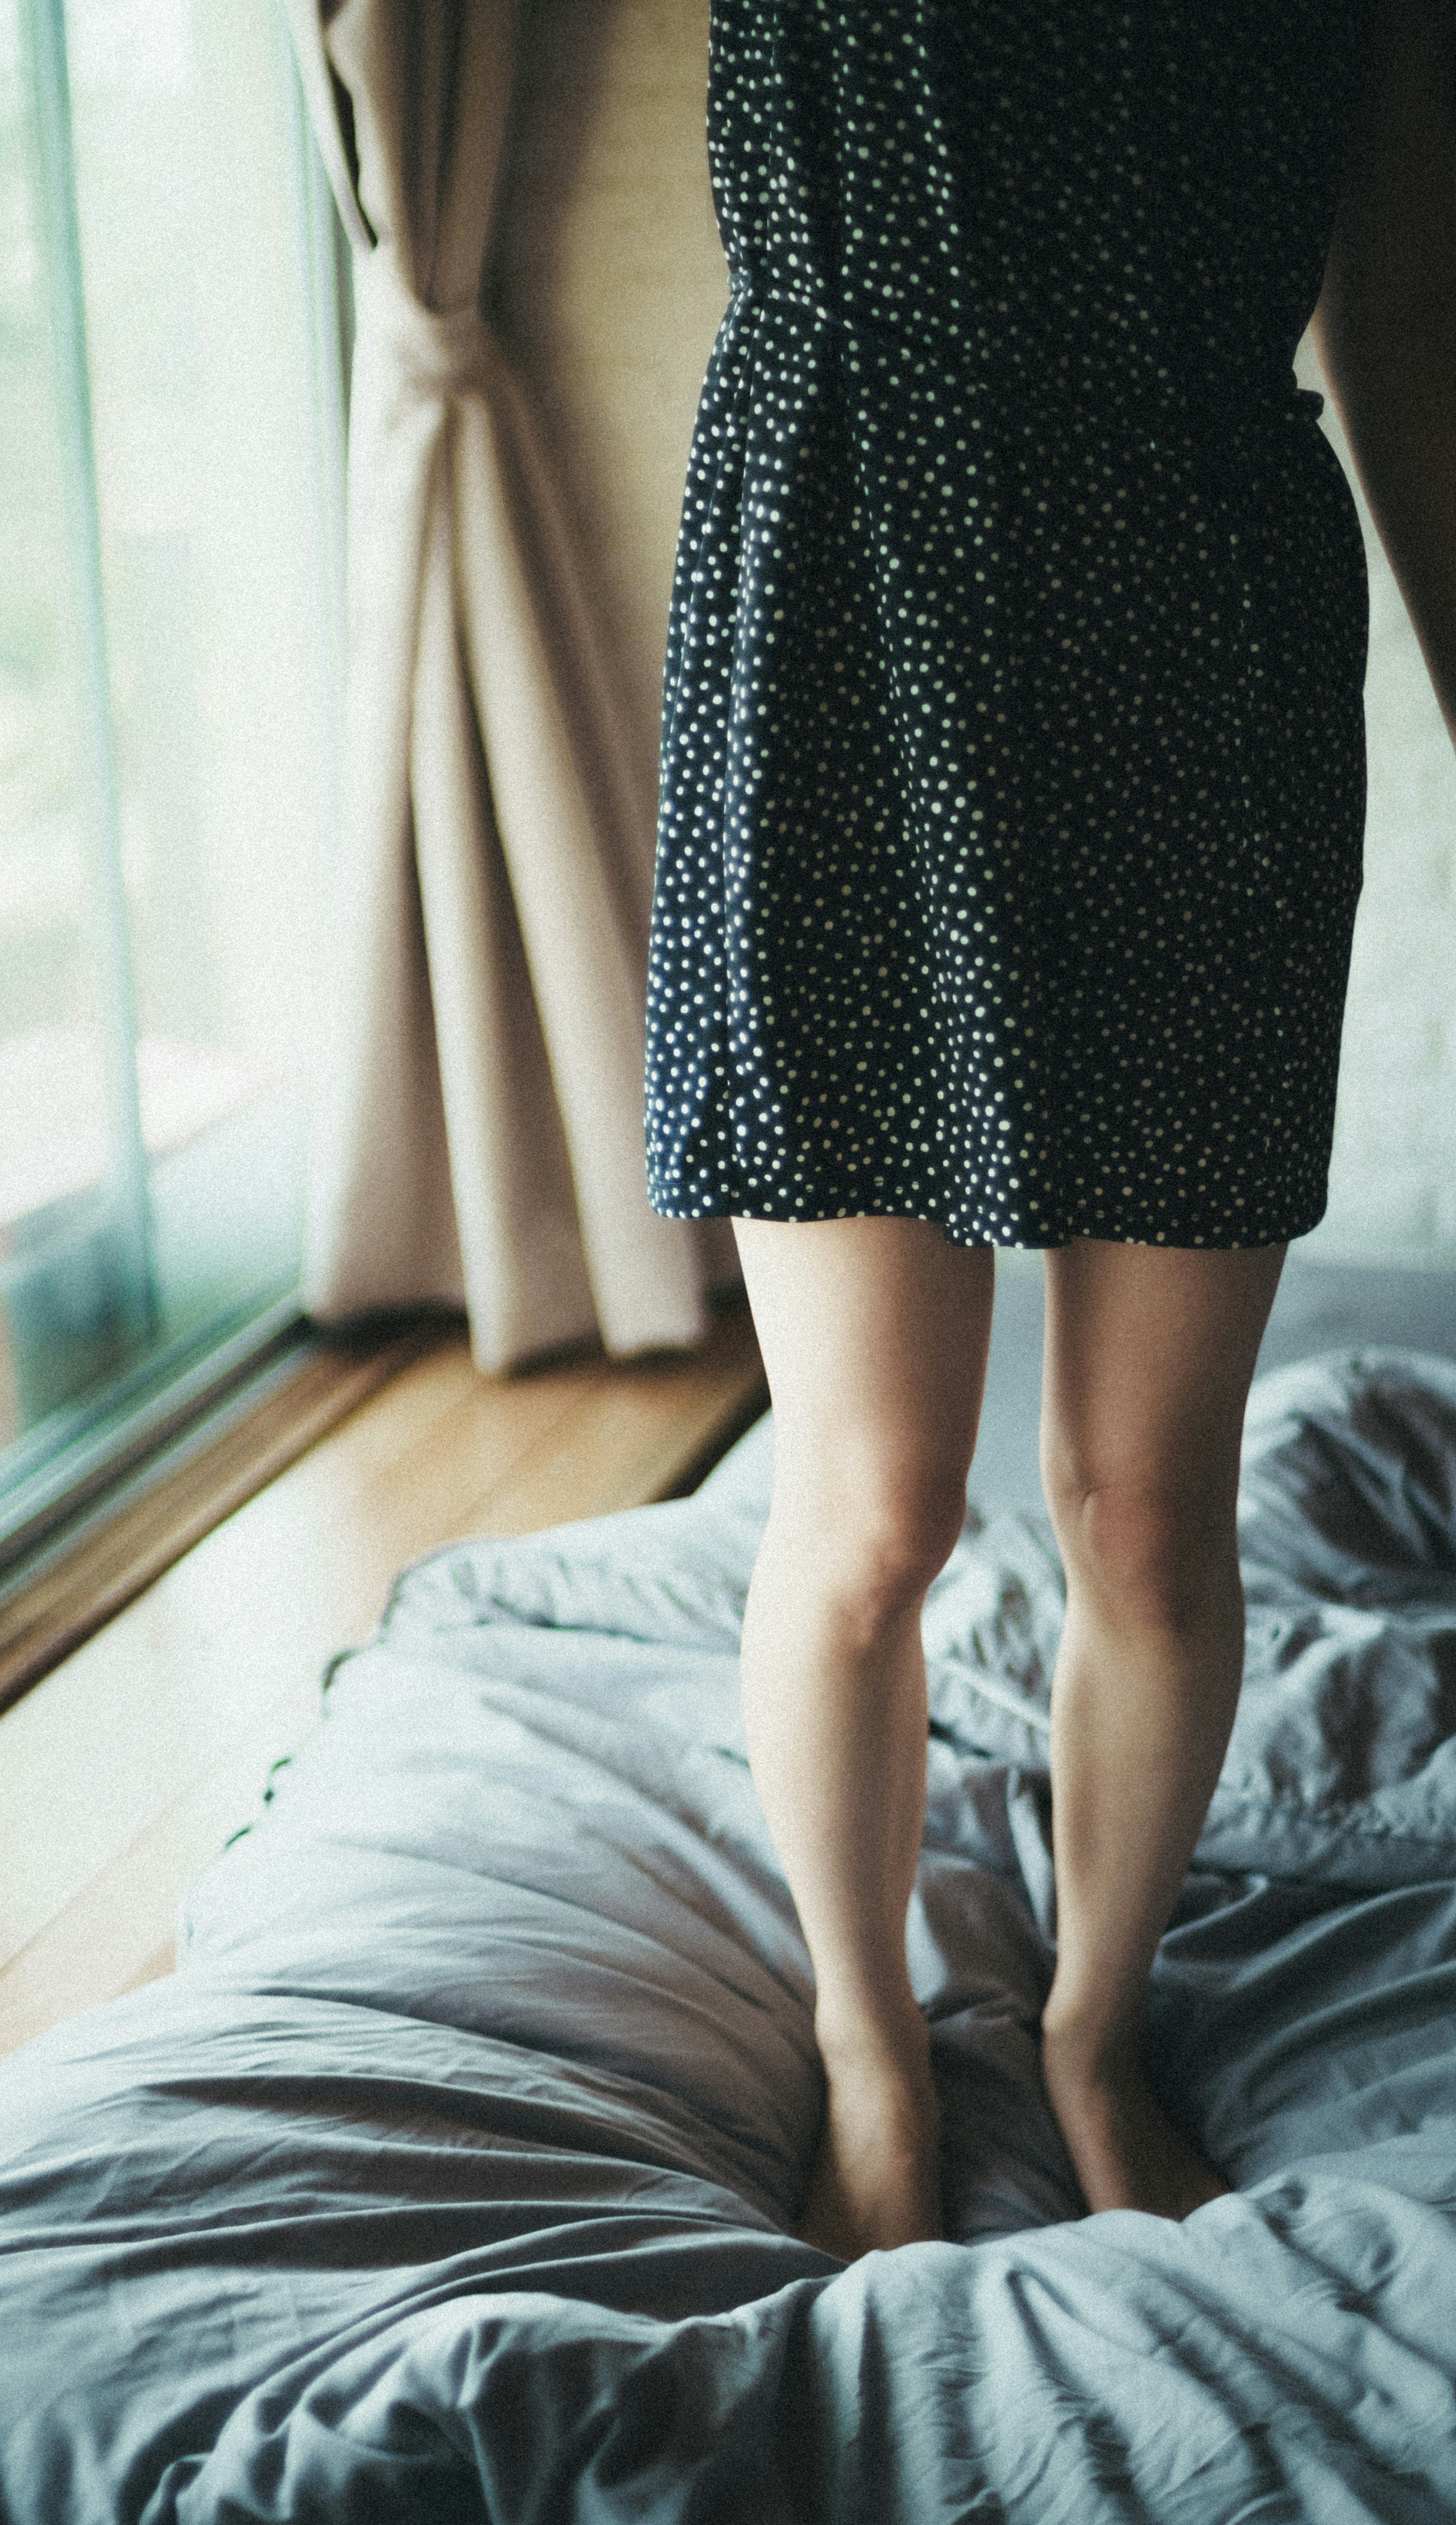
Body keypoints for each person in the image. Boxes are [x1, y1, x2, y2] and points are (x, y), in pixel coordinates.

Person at [643, 0, 1456, 2256]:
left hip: (1207, 634)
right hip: (841, 597)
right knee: (876, 1503)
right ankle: (866, 2045)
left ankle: (1094, 2025)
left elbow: (1404, 315)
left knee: (1146, 1508)